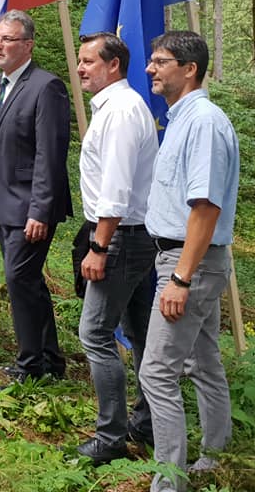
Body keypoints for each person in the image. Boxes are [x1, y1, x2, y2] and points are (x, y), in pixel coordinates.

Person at [139, 31, 239, 492]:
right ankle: (215, 457)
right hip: (189, 260)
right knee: (204, 361)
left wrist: (180, 278)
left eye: (160, 62)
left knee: (157, 371)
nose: (150, 69)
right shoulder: (182, 118)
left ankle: (168, 483)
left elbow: (205, 207)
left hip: (187, 263)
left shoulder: (203, 123)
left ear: (189, 68)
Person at [0, 10, 71, 382]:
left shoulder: (46, 87)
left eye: (7, 39)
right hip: (3, 203)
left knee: (19, 281)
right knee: (29, 283)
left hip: (31, 208)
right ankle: (50, 360)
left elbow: (49, 156)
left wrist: (39, 211)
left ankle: (29, 367)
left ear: (28, 45)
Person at [74, 32, 158, 463]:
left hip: (122, 236)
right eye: (81, 61)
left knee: (95, 333)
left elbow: (118, 189)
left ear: (114, 66)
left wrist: (99, 246)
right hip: (132, 235)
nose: (81, 68)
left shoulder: (122, 112)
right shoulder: (114, 107)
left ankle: (110, 439)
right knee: (141, 332)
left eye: (89, 61)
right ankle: (145, 422)